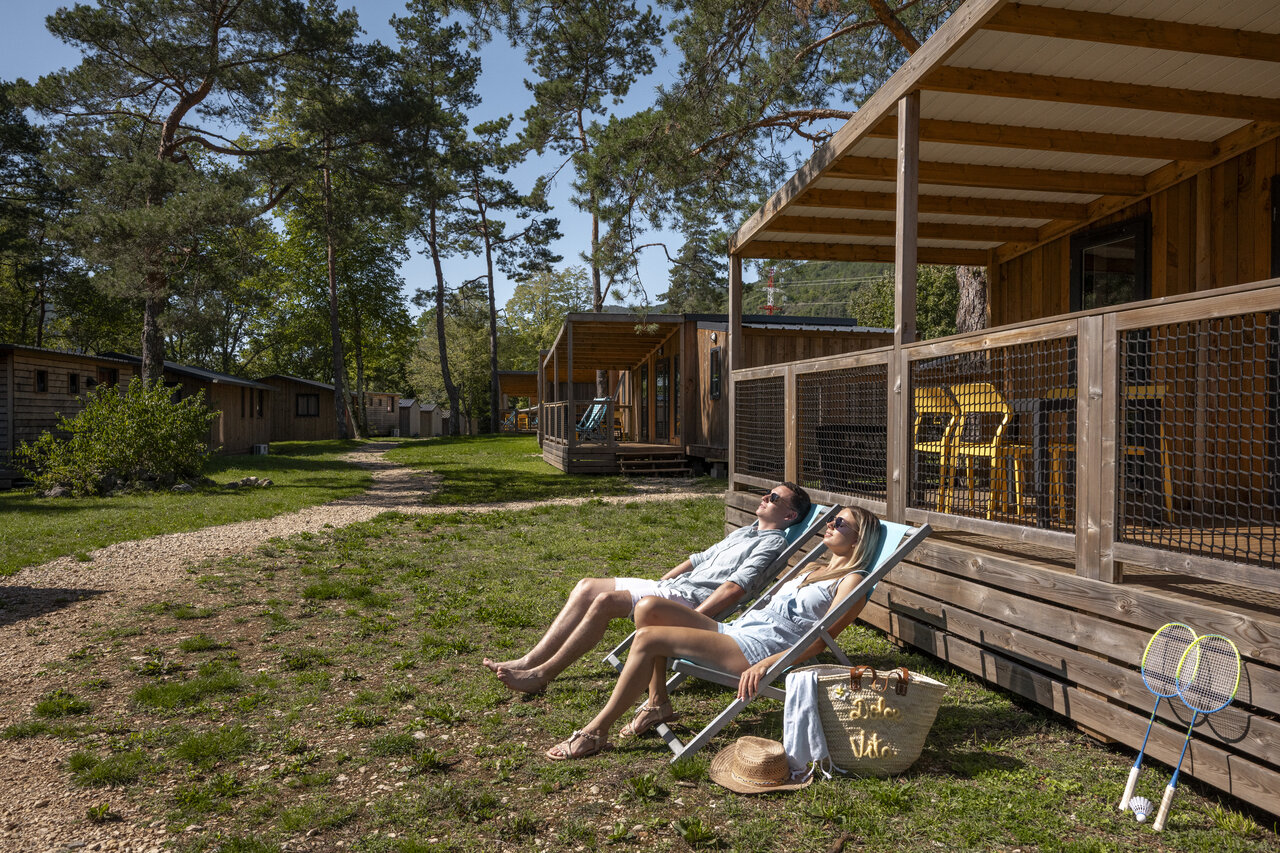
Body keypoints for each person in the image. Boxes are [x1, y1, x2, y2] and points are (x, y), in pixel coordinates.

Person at [543, 505, 881, 760]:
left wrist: (770, 664)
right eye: (832, 520)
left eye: (840, 523)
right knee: (648, 607)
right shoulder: (812, 567)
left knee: (649, 638)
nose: (830, 525)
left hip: (760, 649)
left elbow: (823, 637)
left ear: (858, 538)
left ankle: (596, 731)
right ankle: (657, 701)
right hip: (739, 630)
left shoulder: (853, 581)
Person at [483, 482, 812, 694]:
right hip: (673, 587)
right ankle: (528, 660)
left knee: (605, 602)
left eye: (774, 498)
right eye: (767, 493)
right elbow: (698, 560)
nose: (765, 498)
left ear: (789, 514)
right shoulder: (746, 532)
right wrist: (663, 579)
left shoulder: (771, 543)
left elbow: (734, 589)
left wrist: (692, 617)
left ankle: (542, 675)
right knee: (585, 587)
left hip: (688, 599)